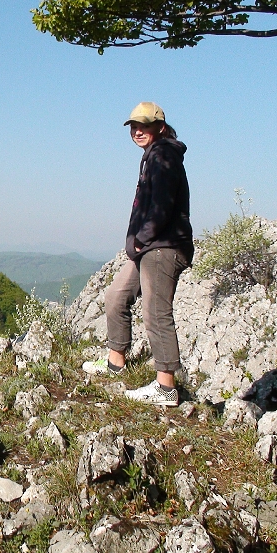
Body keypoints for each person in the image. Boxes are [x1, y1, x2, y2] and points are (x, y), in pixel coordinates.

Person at [82, 102, 193, 407]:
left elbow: (162, 206)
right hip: (151, 247)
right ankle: (116, 362)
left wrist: (142, 239)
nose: (137, 131)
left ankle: (166, 388)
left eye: (143, 125)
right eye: (133, 126)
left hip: (163, 247)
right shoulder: (153, 156)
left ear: (160, 126)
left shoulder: (164, 155)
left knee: (156, 312)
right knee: (116, 296)